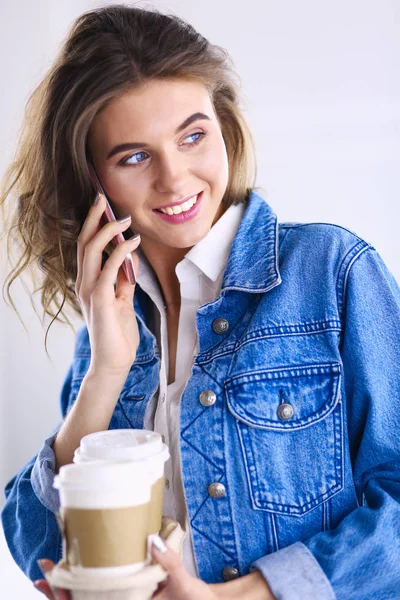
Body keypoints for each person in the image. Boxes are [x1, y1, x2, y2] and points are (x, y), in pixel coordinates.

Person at [1, 4, 400, 600]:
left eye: (192, 136)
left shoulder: (333, 272)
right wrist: (107, 371)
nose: (175, 178)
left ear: (224, 129)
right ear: (92, 182)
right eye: (134, 156)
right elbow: (41, 547)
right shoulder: (107, 335)